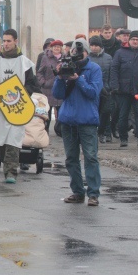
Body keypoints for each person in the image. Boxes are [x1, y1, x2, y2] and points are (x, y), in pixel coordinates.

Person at [0, 29, 40, 184]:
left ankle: (11, 172)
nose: (6, 44)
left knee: (14, 139)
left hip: (17, 108)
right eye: (4, 41)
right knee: (1, 140)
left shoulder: (25, 63)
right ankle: (5, 162)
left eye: (9, 41)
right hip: (0, 109)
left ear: (16, 41)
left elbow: (30, 84)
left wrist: (22, 96)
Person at [52, 38, 103, 206]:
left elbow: (93, 93)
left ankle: (93, 194)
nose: (76, 55)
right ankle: (77, 192)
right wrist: (60, 77)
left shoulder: (94, 69)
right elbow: (58, 94)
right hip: (68, 121)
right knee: (71, 159)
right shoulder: (65, 66)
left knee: (90, 157)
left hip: (87, 120)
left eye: (80, 52)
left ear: (87, 53)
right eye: (74, 52)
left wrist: (78, 78)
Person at [110, 30, 138, 147]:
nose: (135, 41)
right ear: (129, 41)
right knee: (123, 115)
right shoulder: (120, 53)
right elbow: (114, 70)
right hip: (123, 90)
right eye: (133, 39)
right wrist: (115, 86)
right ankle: (124, 139)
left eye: (137, 40)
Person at [88, 35, 113, 143]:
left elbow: (112, 73)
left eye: (96, 45)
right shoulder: (87, 58)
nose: (94, 48)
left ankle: (105, 133)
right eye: (92, 45)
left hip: (106, 89)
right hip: (92, 89)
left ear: (100, 46)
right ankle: (95, 133)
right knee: (94, 112)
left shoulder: (108, 58)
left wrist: (111, 87)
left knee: (106, 112)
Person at [37, 40, 63, 135]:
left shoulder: (64, 58)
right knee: (47, 112)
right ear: (51, 48)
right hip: (47, 88)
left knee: (61, 111)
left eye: (59, 47)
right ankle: (45, 130)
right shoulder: (45, 58)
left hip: (60, 88)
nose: (57, 48)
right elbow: (39, 72)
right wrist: (43, 82)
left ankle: (60, 130)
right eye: (55, 47)